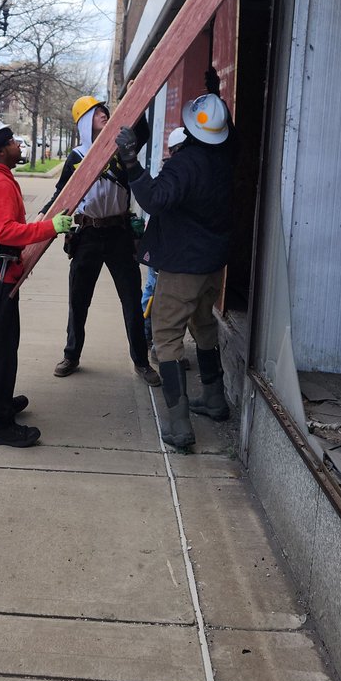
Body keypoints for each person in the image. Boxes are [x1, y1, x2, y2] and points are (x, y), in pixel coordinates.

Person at [115, 92, 234, 449]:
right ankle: (214, 399)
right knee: (203, 323)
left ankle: (179, 426)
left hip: (183, 265)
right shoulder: (227, 156)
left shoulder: (187, 163)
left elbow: (154, 199)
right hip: (213, 263)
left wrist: (131, 161)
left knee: (167, 337)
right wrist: (213, 85)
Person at [0, 116, 73, 448]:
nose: (18, 145)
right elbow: (6, 233)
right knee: (0, 349)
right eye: (12, 141)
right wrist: (51, 227)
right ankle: (0, 425)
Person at [44, 96, 160, 386]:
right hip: (88, 235)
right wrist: (43, 218)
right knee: (79, 300)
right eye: (98, 113)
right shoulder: (76, 157)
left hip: (118, 233)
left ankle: (141, 362)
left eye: (106, 111)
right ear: (84, 121)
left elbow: (142, 132)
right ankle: (72, 355)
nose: (105, 114)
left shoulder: (121, 150)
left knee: (131, 300)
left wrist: (139, 98)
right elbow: (62, 195)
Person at [141, 127, 188, 358]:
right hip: (163, 246)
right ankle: (150, 340)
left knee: (168, 300)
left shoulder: (181, 173)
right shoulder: (172, 175)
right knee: (153, 294)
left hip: (176, 248)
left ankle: (159, 344)